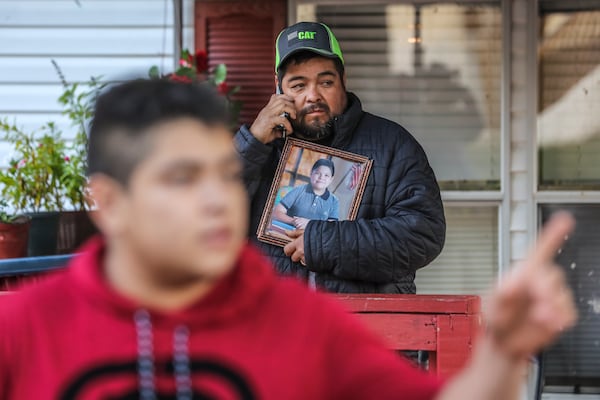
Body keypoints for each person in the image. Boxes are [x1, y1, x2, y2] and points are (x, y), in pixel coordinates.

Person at [0, 78, 579, 400]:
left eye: (222, 175)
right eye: (182, 177)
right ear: (108, 201)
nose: (214, 199)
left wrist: (503, 352)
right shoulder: (19, 329)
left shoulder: (306, 324)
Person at [235, 21, 446, 293]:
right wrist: (251, 144)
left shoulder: (393, 144)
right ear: (278, 89)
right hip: (274, 325)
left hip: (367, 326)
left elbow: (422, 235)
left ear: (343, 81)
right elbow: (204, 221)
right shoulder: (259, 148)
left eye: (325, 82)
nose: (313, 96)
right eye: (298, 85)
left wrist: (323, 243)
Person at [272, 158, 339, 231]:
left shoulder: (334, 201)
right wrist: (294, 221)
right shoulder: (298, 190)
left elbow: (332, 227)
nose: (321, 177)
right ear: (311, 174)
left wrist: (309, 224)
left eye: (326, 175)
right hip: (290, 231)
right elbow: (276, 212)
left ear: (331, 179)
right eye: (317, 173)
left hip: (313, 238)